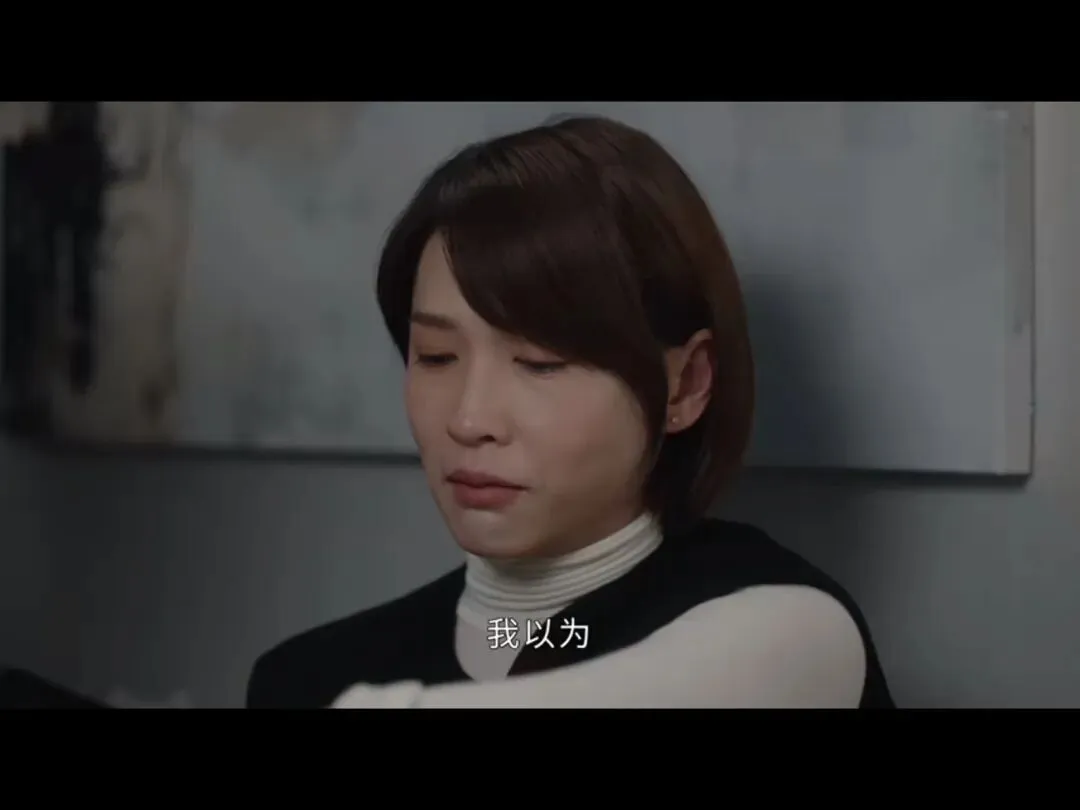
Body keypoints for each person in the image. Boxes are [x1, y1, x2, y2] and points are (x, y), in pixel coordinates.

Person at [245, 114, 894, 709]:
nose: (469, 421)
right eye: (437, 357)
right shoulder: (311, 676)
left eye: (540, 363)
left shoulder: (787, 627)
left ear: (686, 385)